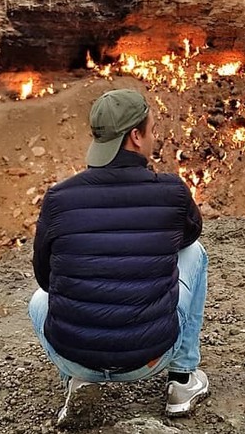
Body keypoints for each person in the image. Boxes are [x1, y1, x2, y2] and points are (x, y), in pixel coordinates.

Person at [29, 89, 209, 427]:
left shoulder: (58, 198)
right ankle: (183, 382)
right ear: (136, 136)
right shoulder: (171, 191)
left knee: (39, 300)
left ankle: (80, 379)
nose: (155, 138)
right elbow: (190, 236)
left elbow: (45, 279)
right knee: (194, 254)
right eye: (152, 130)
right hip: (150, 358)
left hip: (74, 356)